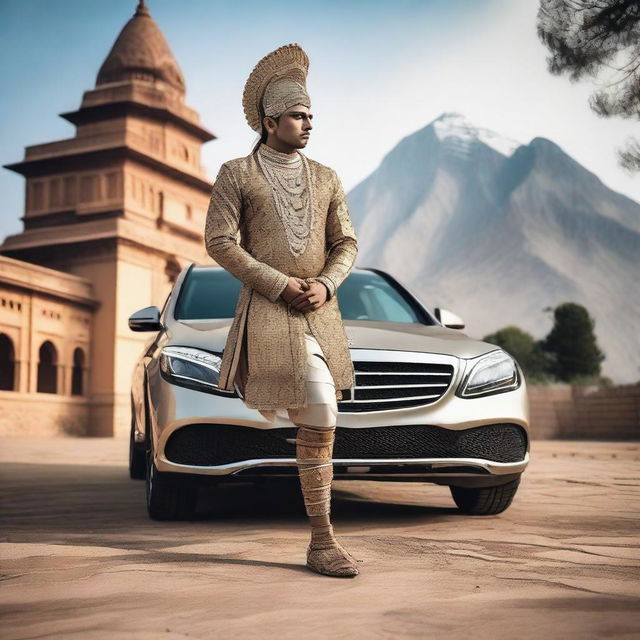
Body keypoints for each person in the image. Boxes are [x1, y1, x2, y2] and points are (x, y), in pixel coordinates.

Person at [204, 43, 360, 577]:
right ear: (270, 121)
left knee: (322, 416)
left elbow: (347, 243)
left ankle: (320, 542)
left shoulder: (328, 177)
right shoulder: (236, 173)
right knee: (321, 410)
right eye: (298, 115)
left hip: (321, 312)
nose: (309, 123)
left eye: (312, 115)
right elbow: (220, 241)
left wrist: (327, 284)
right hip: (270, 313)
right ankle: (323, 540)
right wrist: (278, 284)